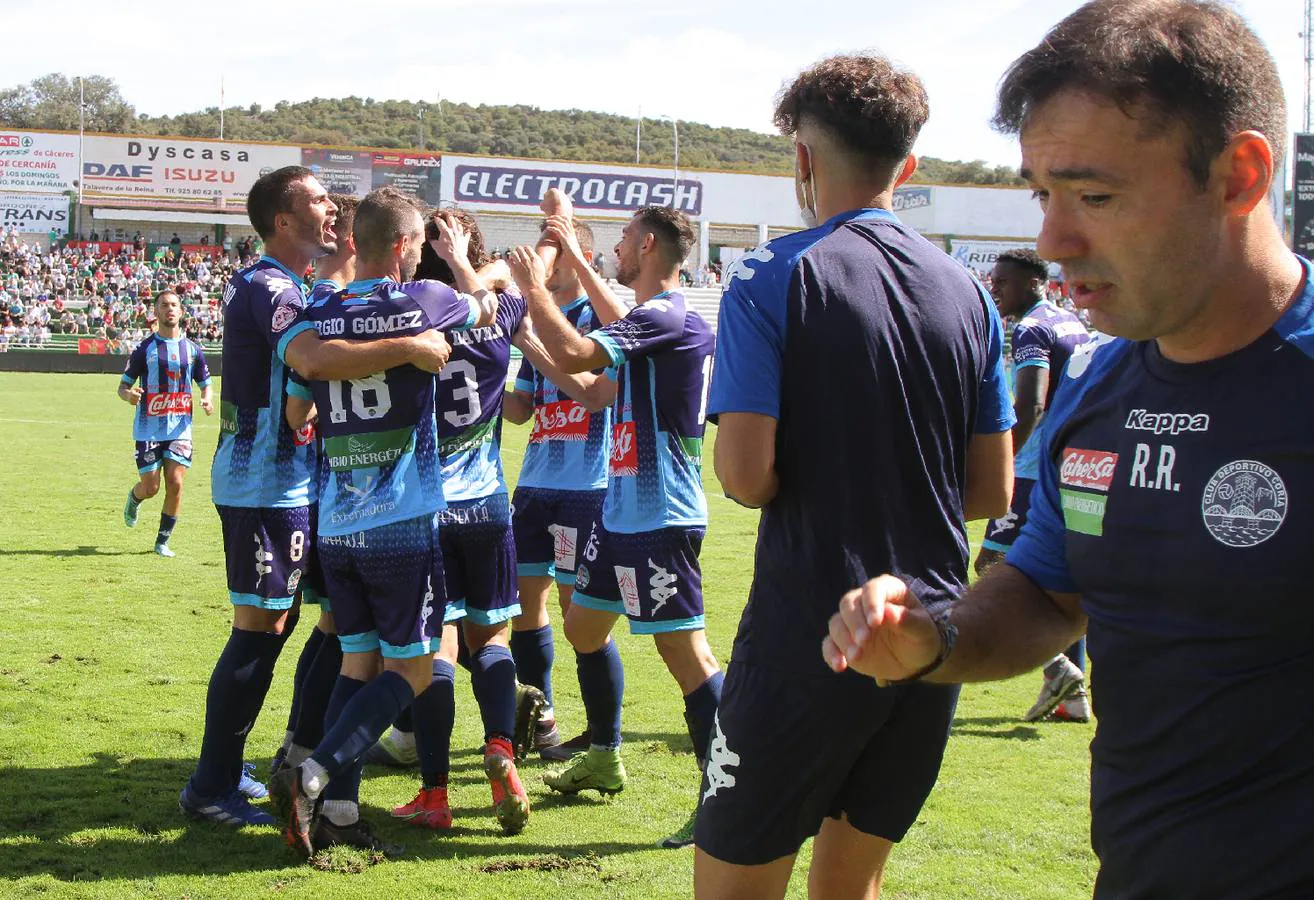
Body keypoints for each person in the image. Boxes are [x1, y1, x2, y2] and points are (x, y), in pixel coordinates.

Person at [822, 3, 1309, 897]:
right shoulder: (1099, 385)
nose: (1053, 242)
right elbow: (1050, 588)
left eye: (1094, 196)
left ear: (1239, 174)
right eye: (1042, 195)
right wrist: (936, 638)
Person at [694, 54, 1014, 899]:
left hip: (811, 634)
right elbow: (990, 492)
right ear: (906, 166)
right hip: (928, 631)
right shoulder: (972, 295)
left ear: (800, 158)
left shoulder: (771, 274)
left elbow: (746, 477)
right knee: (852, 886)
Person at [179, 166, 450, 828]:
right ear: (283, 220)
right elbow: (313, 361)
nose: (332, 209)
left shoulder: (299, 286)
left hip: (308, 488)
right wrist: (412, 345)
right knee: (263, 626)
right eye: (319, 201)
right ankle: (211, 785)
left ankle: (301, 760)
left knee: (322, 624)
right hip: (264, 484)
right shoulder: (268, 285)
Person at [269, 186, 499, 856]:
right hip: (403, 523)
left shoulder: (319, 307)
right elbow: (485, 303)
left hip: (337, 523)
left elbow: (296, 410)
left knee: (359, 660)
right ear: (404, 247)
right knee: (415, 670)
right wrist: (458, 263)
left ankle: (338, 809)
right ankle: (311, 777)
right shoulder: (425, 301)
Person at [514, 203, 721, 850]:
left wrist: (529, 293)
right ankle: (605, 755)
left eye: (625, 240)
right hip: (620, 510)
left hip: (661, 515)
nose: (616, 251)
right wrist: (531, 340)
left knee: (685, 654)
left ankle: (725, 798)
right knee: (582, 626)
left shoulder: (669, 314)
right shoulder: (647, 320)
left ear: (650, 244)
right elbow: (596, 391)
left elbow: (579, 347)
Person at [503, 216, 616, 758]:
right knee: (525, 608)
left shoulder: (596, 315)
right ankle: (540, 720)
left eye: (548, 251)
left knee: (580, 616)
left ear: (572, 256)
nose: (538, 263)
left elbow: (594, 391)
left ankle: (600, 734)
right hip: (534, 483)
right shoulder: (535, 316)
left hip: (585, 486)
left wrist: (532, 345)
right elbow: (523, 410)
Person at [974, 247, 1091, 723]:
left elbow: (1031, 402)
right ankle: (1073, 698)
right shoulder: (1071, 322)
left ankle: (1055, 664)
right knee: (1061, 576)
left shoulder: (1032, 329)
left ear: (1035, 283)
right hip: (1072, 465)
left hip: (1030, 469)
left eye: (1003, 281)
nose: (995, 288)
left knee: (990, 564)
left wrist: (1002, 458)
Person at [270, 194, 360, 780]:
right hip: (357, 497)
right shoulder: (346, 306)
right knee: (353, 640)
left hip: (322, 493)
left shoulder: (310, 301)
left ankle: (297, 747)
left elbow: (297, 413)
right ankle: (315, 760)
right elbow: (298, 413)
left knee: (329, 626)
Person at [118, 290, 214, 557]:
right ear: (156, 312)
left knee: (176, 483)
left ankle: (162, 542)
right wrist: (129, 396)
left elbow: (206, 384)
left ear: (181, 312)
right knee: (151, 487)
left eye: (174, 305)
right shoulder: (145, 349)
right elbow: (123, 386)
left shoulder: (193, 350)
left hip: (180, 429)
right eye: (164, 305)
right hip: (149, 428)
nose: (170, 309)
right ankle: (135, 498)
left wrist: (207, 399)